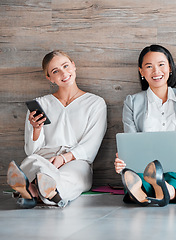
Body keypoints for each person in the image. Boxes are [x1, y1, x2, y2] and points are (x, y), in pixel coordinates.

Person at [7, 50, 107, 208]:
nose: (63, 73)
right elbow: (32, 151)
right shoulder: (40, 104)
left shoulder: (95, 103)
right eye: (55, 71)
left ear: (73, 66)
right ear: (49, 78)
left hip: (76, 161)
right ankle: (45, 190)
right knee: (33, 162)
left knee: (71, 177)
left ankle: (33, 190)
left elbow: (91, 144)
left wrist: (64, 158)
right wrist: (36, 129)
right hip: (43, 157)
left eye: (66, 66)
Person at [113, 45, 176, 207]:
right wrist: (123, 160)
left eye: (161, 64)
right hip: (144, 165)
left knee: (174, 180)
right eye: (149, 66)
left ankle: (159, 189)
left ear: (170, 68)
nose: (156, 71)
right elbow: (131, 142)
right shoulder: (132, 101)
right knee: (137, 176)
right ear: (141, 71)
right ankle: (149, 190)